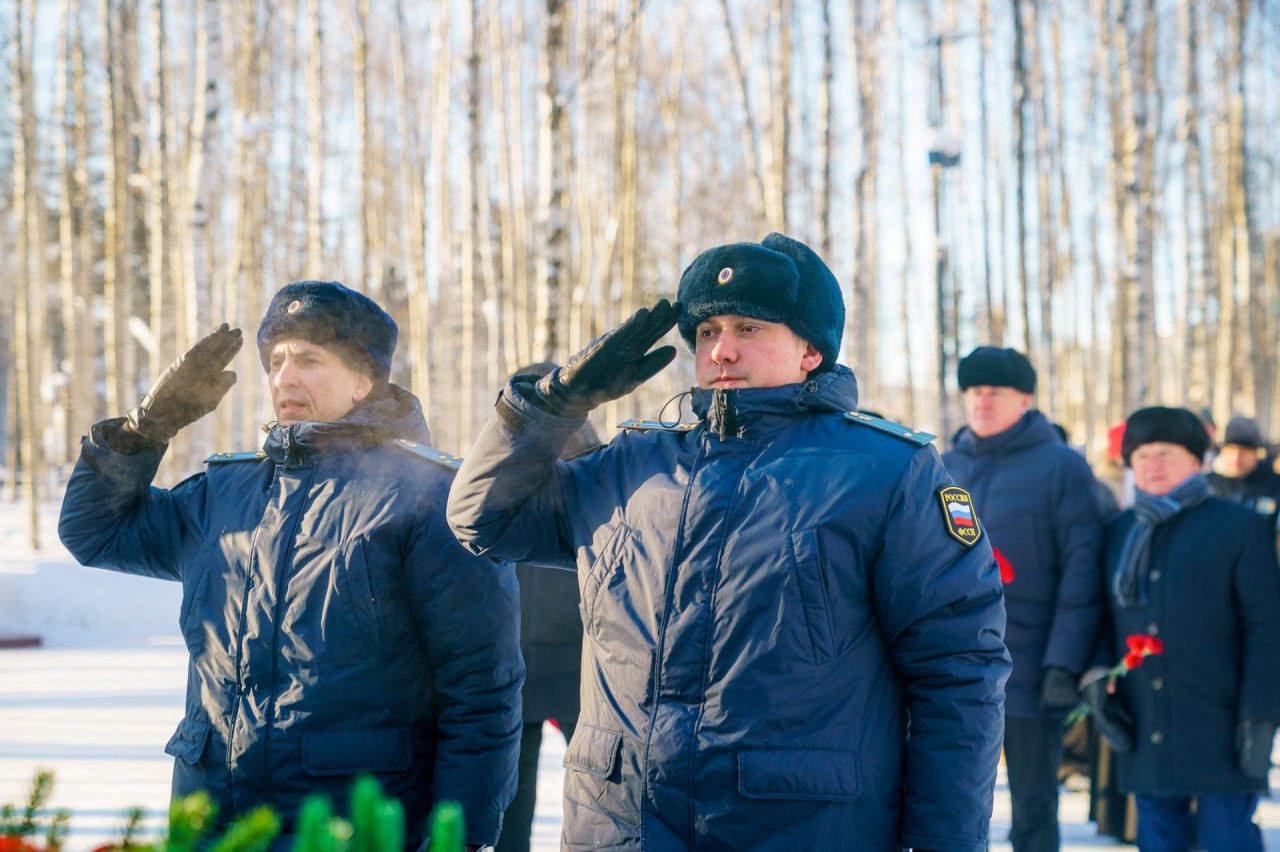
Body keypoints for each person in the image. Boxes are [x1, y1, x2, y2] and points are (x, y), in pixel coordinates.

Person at [447, 233, 1011, 850]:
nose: (722, 349)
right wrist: (551, 407)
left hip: (798, 829)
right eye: (707, 330)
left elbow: (958, 672)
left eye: (749, 328)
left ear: (810, 351)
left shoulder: (886, 473)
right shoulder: (632, 465)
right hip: (619, 827)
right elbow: (481, 518)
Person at [58, 280, 523, 851]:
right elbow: (94, 532)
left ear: (363, 380)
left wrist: (461, 837)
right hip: (213, 820)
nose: (284, 378)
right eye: (275, 361)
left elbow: (482, 688)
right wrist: (143, 432)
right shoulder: (225, 493)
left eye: (308, 360)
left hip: (347, 825)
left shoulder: (427, 500)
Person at [1083, 406, 1280, 852]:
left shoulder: (1240, 527)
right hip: (1144, 716)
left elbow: (1267, 628)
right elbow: (1099, 617)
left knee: (1227, 835)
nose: (1152, 464)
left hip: (1222, 719)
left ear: (1195, 459)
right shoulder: (1119, 532)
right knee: (1158, 837)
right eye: (1142, 455)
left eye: (1165, 453)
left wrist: (1261, 715)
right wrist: (1096, 675)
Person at [941, 347, 1103, 852]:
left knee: (1033, 806)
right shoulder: (943, 465)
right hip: (951, 667)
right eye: (974, 392)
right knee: (948, 803)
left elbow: (1082, 573)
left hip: (1032, 668)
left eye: (995, 392)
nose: (982, 402)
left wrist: (1063, 663)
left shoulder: (1062, 468)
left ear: (1025, 399)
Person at [497, 363, 599, 852]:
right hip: (516, 669)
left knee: (601, 802)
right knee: (512, 806)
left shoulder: (598, 469)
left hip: (585, 668)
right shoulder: (494, 476)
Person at [1207, 415, 1280, 535]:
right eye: (1231, 449)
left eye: (1244, 451)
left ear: (1256, 452)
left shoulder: (1275, 486)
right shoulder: (1209, 485)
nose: (1236, 458)